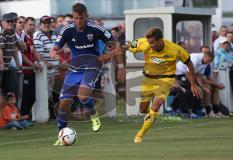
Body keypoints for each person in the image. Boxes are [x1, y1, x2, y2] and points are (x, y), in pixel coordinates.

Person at [118, 27, 201, 143]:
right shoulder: (143, 43)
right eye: (149, 42)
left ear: (160, 40)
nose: (150, 45)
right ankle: (151, 117)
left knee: (155, 106)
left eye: (152, 42)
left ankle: (139, 135)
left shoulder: (175, 49)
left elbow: (190, 64)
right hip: (148, 79)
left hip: (165, 80)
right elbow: (122, 47)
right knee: (143, 110)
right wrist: (120, 63)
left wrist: (193, 84)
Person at [50, 3, 117, 145]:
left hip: (92, 65)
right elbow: (56, 46)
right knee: (63, 105)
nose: (78, 21)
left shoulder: (96, 28)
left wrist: (108, 55)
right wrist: (54, 51)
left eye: (81, 18)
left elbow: (114, 44)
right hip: (74, 68)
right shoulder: (67, 29)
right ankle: (60, 136)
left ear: (86, 16)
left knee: (82, 95)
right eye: (75, 18)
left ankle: (93, 114)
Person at [20, 17, 42, 118]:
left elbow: (34, 52)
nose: (32, 27)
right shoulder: (23, 37)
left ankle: (25, 115)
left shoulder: (30, 37)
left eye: (33, 25)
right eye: (30, 24)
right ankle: (23, 115)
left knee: (32, 96)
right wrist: (33, 64)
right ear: (25, 25)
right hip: (25, 71)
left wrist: (40, 62)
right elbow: (22, 55)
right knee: (26, 96)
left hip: (31, 71)